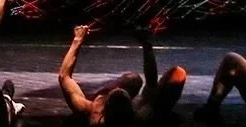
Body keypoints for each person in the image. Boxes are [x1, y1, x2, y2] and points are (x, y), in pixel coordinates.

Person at [58, 24, 187, 124]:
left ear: (104, 109)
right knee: (176, 75)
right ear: (131, 108)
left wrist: (78, 39)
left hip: (105, 109)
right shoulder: (142, 115)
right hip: (151, 112)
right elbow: (151, 84)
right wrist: (146, 44)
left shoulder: (93, 112)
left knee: (134, 80)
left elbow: (64, 77)